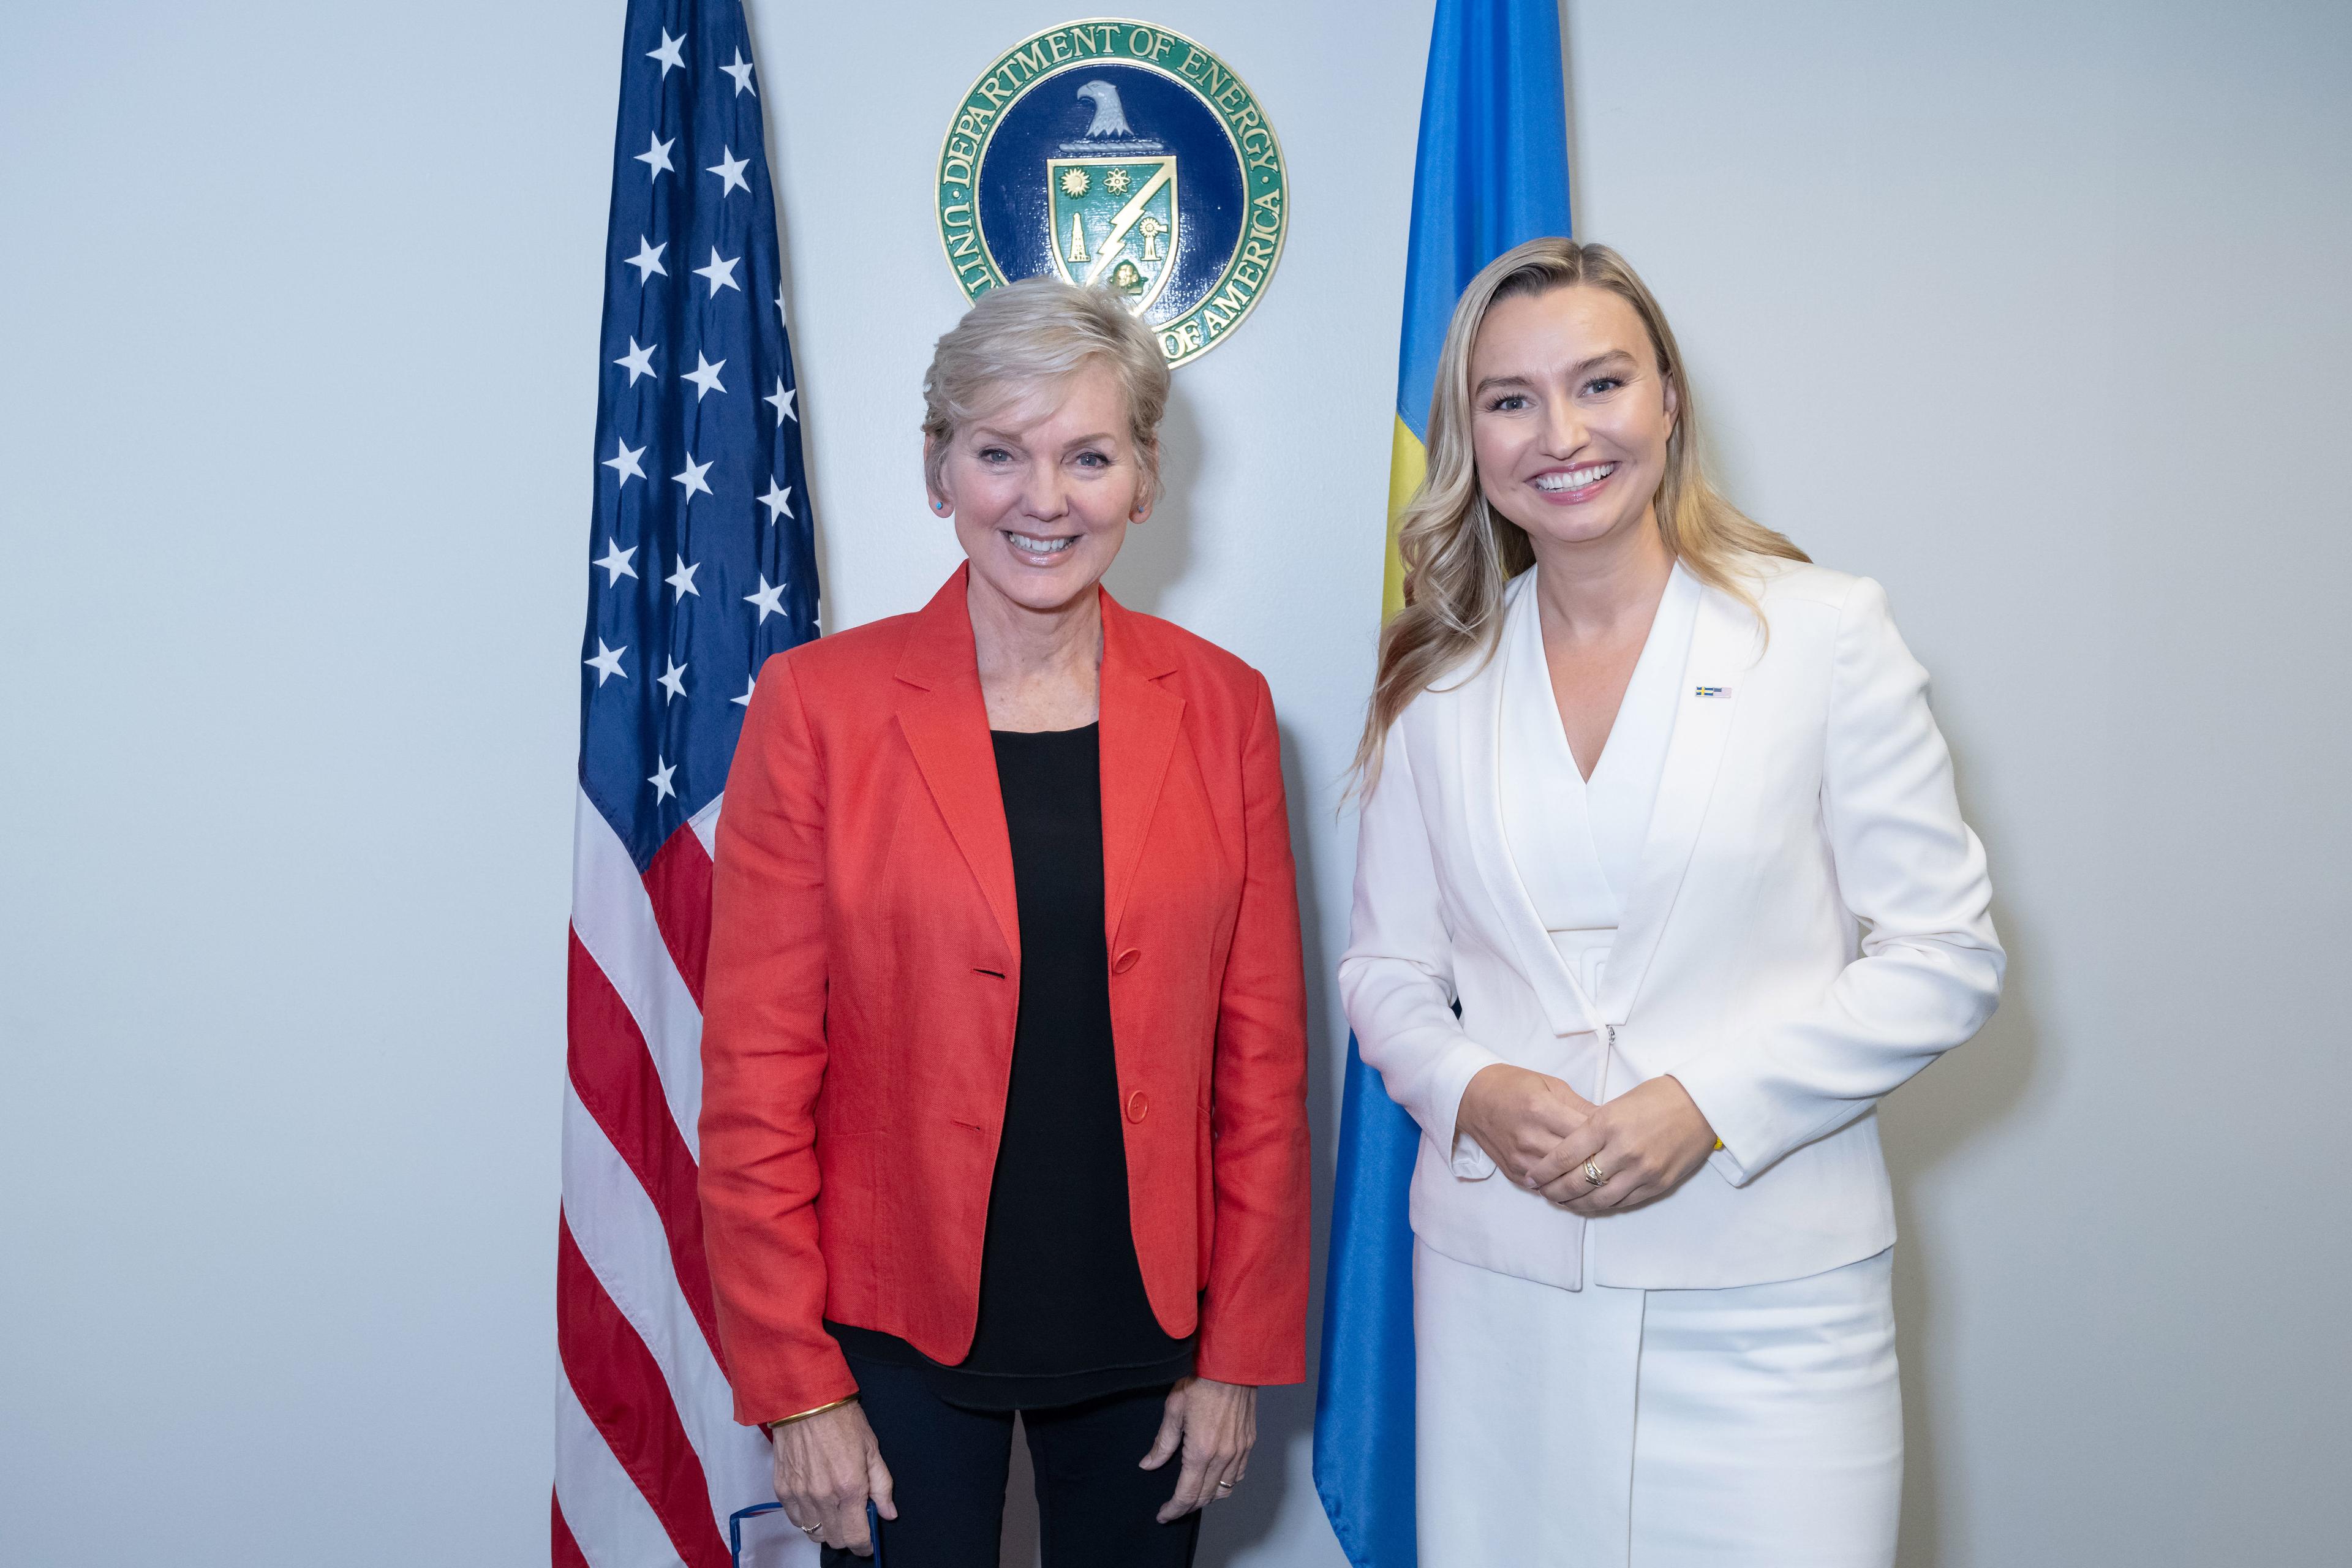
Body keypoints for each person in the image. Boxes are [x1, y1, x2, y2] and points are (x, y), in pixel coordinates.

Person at [1339, 238, 2003, 1566]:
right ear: (1470, 435)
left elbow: (1943, 955)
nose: (1563, 433)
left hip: (1769, 1302)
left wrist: (1704, 1106)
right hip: (1497, 1292)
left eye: (1601, 383)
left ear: (1669, 399)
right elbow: (1383, 970)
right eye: (1511, 397)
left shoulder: (1821, 631)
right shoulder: (1436, 677)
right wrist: (1472, 1085)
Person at [698, 277, 1311, 1565]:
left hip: (1153, 1323)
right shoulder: (817, 707)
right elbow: (754, 1078)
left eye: (1089, 455)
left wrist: (1241, 1351)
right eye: (998, 452)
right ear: (938, 470)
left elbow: (1261, 1066)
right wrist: (795, 1383)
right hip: (890, 1329)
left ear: (1144, 477)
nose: (1045, 499)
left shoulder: (1226, 708)